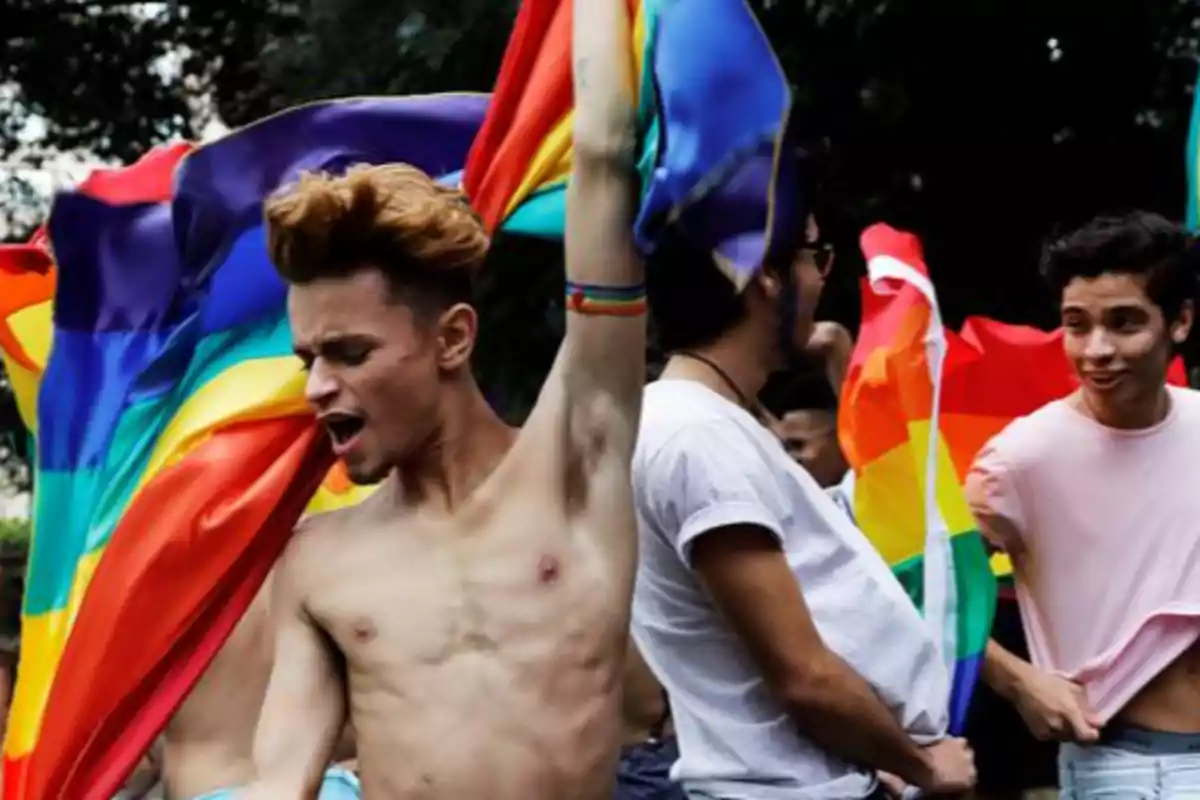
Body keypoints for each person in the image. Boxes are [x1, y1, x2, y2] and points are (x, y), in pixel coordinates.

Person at [242, 0, 645, 795]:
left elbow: (606, 154)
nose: (319, 386)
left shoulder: (577, 467)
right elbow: (278, 782)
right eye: (309, 359)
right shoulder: (317, 561)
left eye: (350, 353)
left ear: (452, 339)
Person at [630, 216, 976, 799]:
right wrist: (923, 765)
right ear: (766, 274)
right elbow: (804, 677)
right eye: (815, 257)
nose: (822, 278)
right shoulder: (696, 436)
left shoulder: (705, 422)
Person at [968, 211, 1200, 797]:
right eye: (1077, 325)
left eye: (1124, 323)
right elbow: (919, 588)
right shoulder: (1024, 456)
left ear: (1180, 322)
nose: (1097, 349)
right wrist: (1017, 680)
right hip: (1131, 767)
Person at [118, 582, 360, 800]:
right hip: (326, 787)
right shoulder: (326, 564)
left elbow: (135, 765)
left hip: (207, 786)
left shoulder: (161, 587)